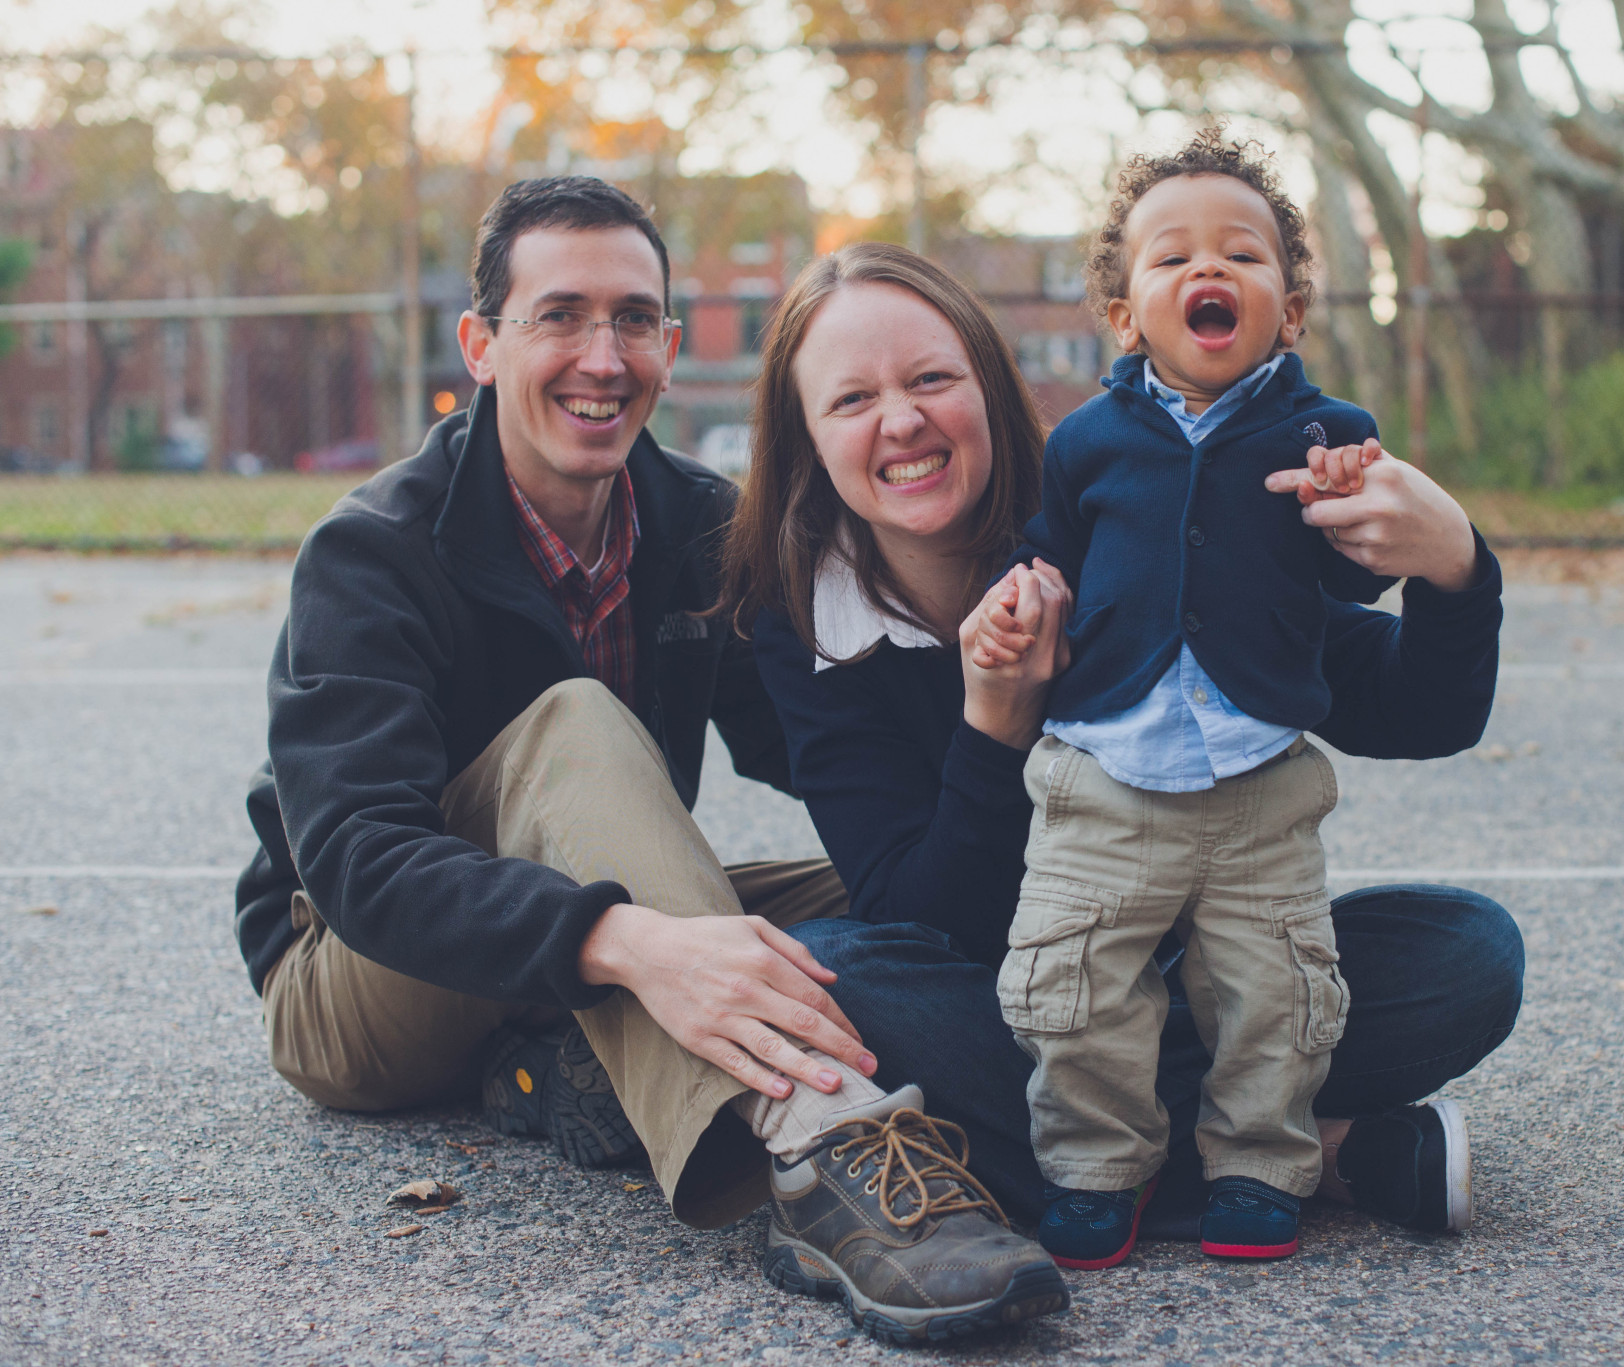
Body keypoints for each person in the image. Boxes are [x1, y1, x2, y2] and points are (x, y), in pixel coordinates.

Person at [231, 175, 1069, 1346]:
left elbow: (820, 750)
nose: (602, 353)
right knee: (574, 722)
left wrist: (987, 673)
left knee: (885, 902)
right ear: (480, 344)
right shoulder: (372, 551)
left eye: (633, 318)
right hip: (358, 975)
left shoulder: (700, 529)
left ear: (671, 348)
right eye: (559, 315)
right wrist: (627, 940)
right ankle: (832, 1150)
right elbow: (362, 860)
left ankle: (571, 1056)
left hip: (566, 941)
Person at [723, 232, 1523, 1267]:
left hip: (1197, 975)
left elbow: (1412, 710)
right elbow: (919, 919)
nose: (903, 420)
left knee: (1464, 955)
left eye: (931, 379)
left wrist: (1457, 570)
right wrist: (996, 727)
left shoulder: (1116, 516)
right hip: (1008, 1002)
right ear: (807, 438)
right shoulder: (805, 618)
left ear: (987, 385)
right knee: (839, 978)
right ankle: (1293, 1155)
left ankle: (1097, 1166)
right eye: (850, 400)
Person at [963, 128, 1441, 1267]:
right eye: (1171, 258)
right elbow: (1048, 555)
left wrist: (1356, 513)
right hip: (1103, 772)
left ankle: (1260, 1163)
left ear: (1287, 305)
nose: (1207, 270)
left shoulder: (1329, 437)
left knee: (1274, 991)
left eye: (1242, 253)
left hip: (1256, 778)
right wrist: (1019, 602)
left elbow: (1350, 573)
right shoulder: (1083, 443)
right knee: (1071, 985)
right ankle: (1093, 1165)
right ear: (1126, 313)